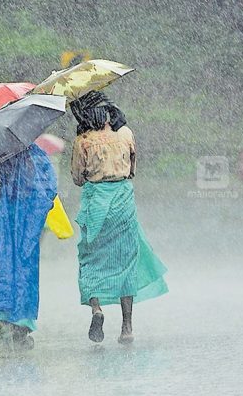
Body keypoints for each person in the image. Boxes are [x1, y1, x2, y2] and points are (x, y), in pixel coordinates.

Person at [70, 91, 168, 344]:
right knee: (126, 262)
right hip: (123, 205)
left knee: (90, 260)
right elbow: (132, 170)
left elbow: (77, 178)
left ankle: (96, 309)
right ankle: (127, 326)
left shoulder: (83, 140)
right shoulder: (125, 133)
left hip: (95, 207)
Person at [0, 144, 57, 350]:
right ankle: (20, 325)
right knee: (23, 269)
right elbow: (47, 187)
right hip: (24, 222)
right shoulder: (30, 152)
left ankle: (2, 322)